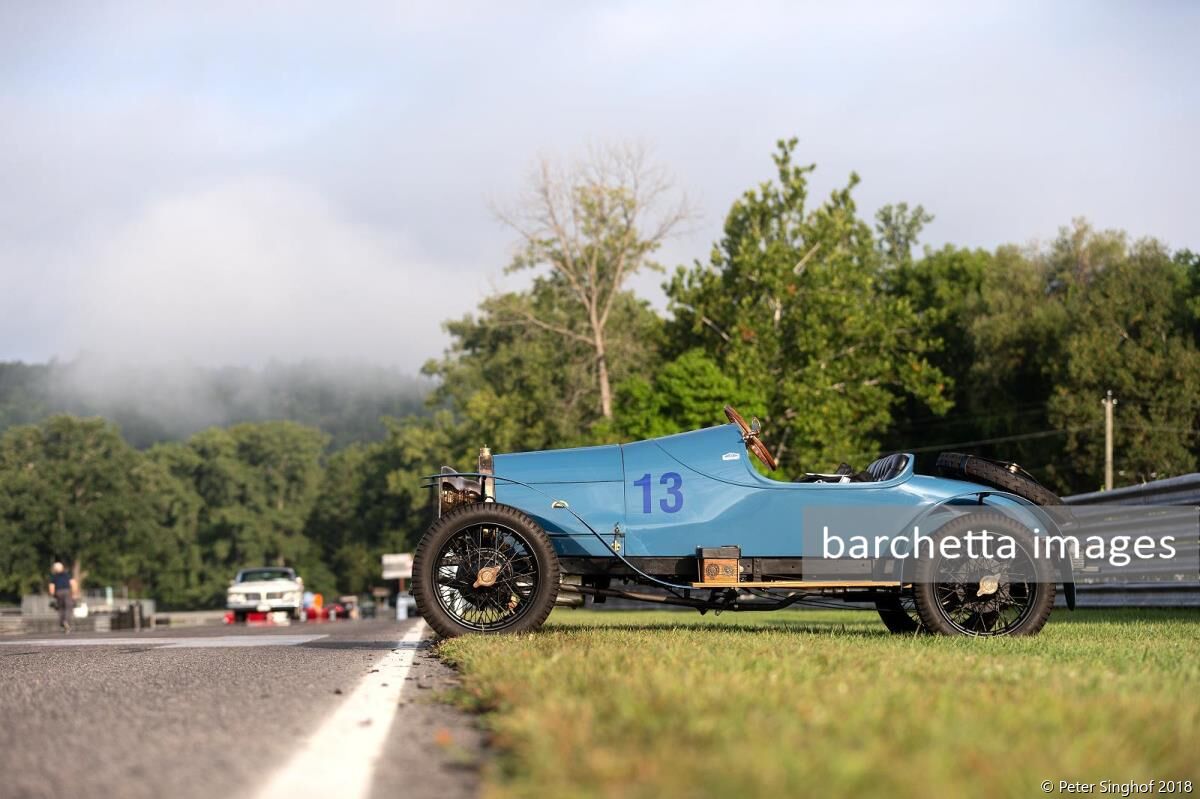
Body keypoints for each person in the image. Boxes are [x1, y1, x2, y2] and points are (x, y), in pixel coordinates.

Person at [48, 562, 77, 633]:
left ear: (55, 569)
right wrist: (74, 593)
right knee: (68, 607)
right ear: (62, 568)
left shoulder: (54, 576)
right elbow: (73, 583)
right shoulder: (67, 575)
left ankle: (62, 622)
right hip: (67, 592)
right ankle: (66, 621)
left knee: (60, 608)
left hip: (58, 592)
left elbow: (51, 587)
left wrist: (53, 595)